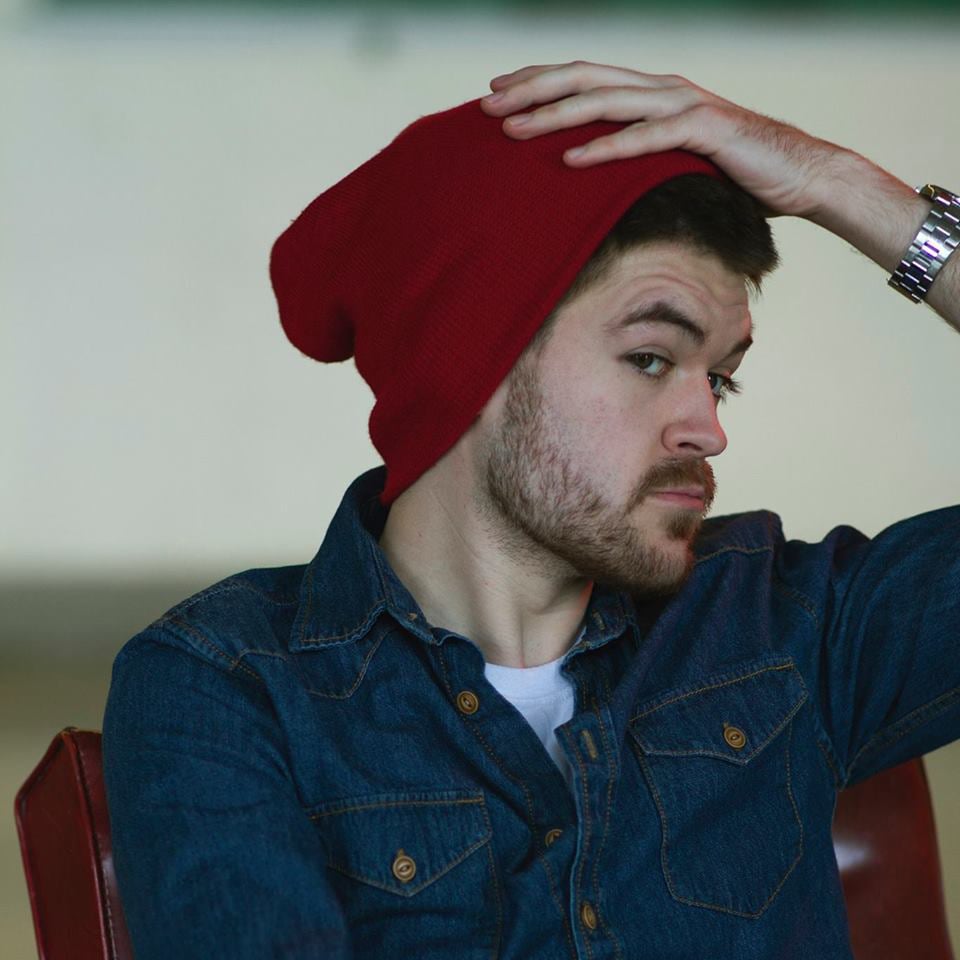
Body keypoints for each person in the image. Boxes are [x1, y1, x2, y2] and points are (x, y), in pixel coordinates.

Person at [102, 61, 960, 959]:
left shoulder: (779, 623)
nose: (708, 430)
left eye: (720, 379)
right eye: (650, 359)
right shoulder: (228, 684)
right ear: (470, 365)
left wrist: (840, 185)